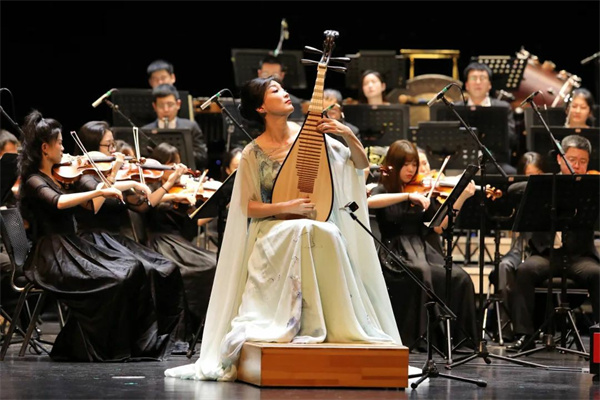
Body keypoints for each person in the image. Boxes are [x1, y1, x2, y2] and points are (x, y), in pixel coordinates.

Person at [164, 76, 401, 381]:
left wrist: (345, 133)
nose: (286, 93)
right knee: (305, 230)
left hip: (313, 225)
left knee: (324, 231)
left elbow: (358, 163)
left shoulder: (310, 137)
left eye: (283, 88)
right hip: (271, 229)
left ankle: (334, 323)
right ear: (261, 108)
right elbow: (248, 207)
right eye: (275, 90)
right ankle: (287, 323)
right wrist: (286, 207)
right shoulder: (253, 153)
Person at [17, 110, 172, 361]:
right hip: (50, 255)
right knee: (114, 278)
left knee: (132, 269)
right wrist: (96, 192)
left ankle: (126, 344)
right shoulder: (34, 180)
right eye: (60, 143)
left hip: (71, 246)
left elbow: (94, 201)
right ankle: (82, 346)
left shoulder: (63, 175)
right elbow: (58, 202)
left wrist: (124, 184)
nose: (64, 149)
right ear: (45, 148)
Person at [73, 120, 190, 354]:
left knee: (166, 267)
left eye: (113, 145)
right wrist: (116, 173)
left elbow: (144, 206)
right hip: (93, 243)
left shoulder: (114, 175)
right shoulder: (84, 177)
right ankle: (135, 341)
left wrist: (168, 181)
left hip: (116, 240)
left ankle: (167, 337)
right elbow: (95, 205)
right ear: (93, 147)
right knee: (140, 270)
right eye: (108, 146)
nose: (114, 151)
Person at [367, 139, 478, 351]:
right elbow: (368, 202)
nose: (411, 170)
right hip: (394, 252)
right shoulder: (383, 189)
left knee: (459, 277)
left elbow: (439, 227)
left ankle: (458, 341)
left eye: (414, 164)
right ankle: (422, 338)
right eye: (406, 164)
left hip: (422, 250)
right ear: (394, 165)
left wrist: (462, 197)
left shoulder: (422, 192)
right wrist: (407, 195)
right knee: (420, 272)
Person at [507, 135, 599, 351]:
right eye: (572, 160)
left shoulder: (592, 186)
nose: (577, 166)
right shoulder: (547, 183)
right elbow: (513, 190)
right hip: (546, 256)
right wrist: (545, 185)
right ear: (560, 159)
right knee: (524, 271)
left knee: (598, 274)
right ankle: (524, 335)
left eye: (583, 161)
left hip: (579, 257)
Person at [144, 142, 217, 347]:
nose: (176, 170)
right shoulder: (152, 188)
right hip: (161, 243)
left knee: (213, 262)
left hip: (178, 242)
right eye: (171, 165)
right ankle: (191, 325)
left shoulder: (180, 188)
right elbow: (151, 203)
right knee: (205, 266)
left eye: (177, 164)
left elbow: (190, 225)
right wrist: (174, 192)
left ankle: (203, 325)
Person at [491, 151, 545, 342]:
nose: (534, 180)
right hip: (519, 248)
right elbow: (513, 190)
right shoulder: (517, 192)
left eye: (538, 175)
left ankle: (530, 330)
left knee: (526, 270)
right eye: (529, 176)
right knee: (504, 267)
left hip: (541, 250)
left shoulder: (550, 194)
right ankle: (505, 329)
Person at [456, 61, 517, 174]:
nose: (478, 82)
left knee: (510, 173)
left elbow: (511, 138)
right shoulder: (455, 109)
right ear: (467, 85)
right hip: (462, 163)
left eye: (482, 78)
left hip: (495, 163)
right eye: (473, 78)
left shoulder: (503, 108)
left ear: (489, 85)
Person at [142, 83, 208, 170]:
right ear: (154, 106)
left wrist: (178, 156)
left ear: (178, 104)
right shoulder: (145, 131)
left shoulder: (191, 127)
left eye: (170, 104)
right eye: (161, 105)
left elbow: (202, 156)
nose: (166, 109)